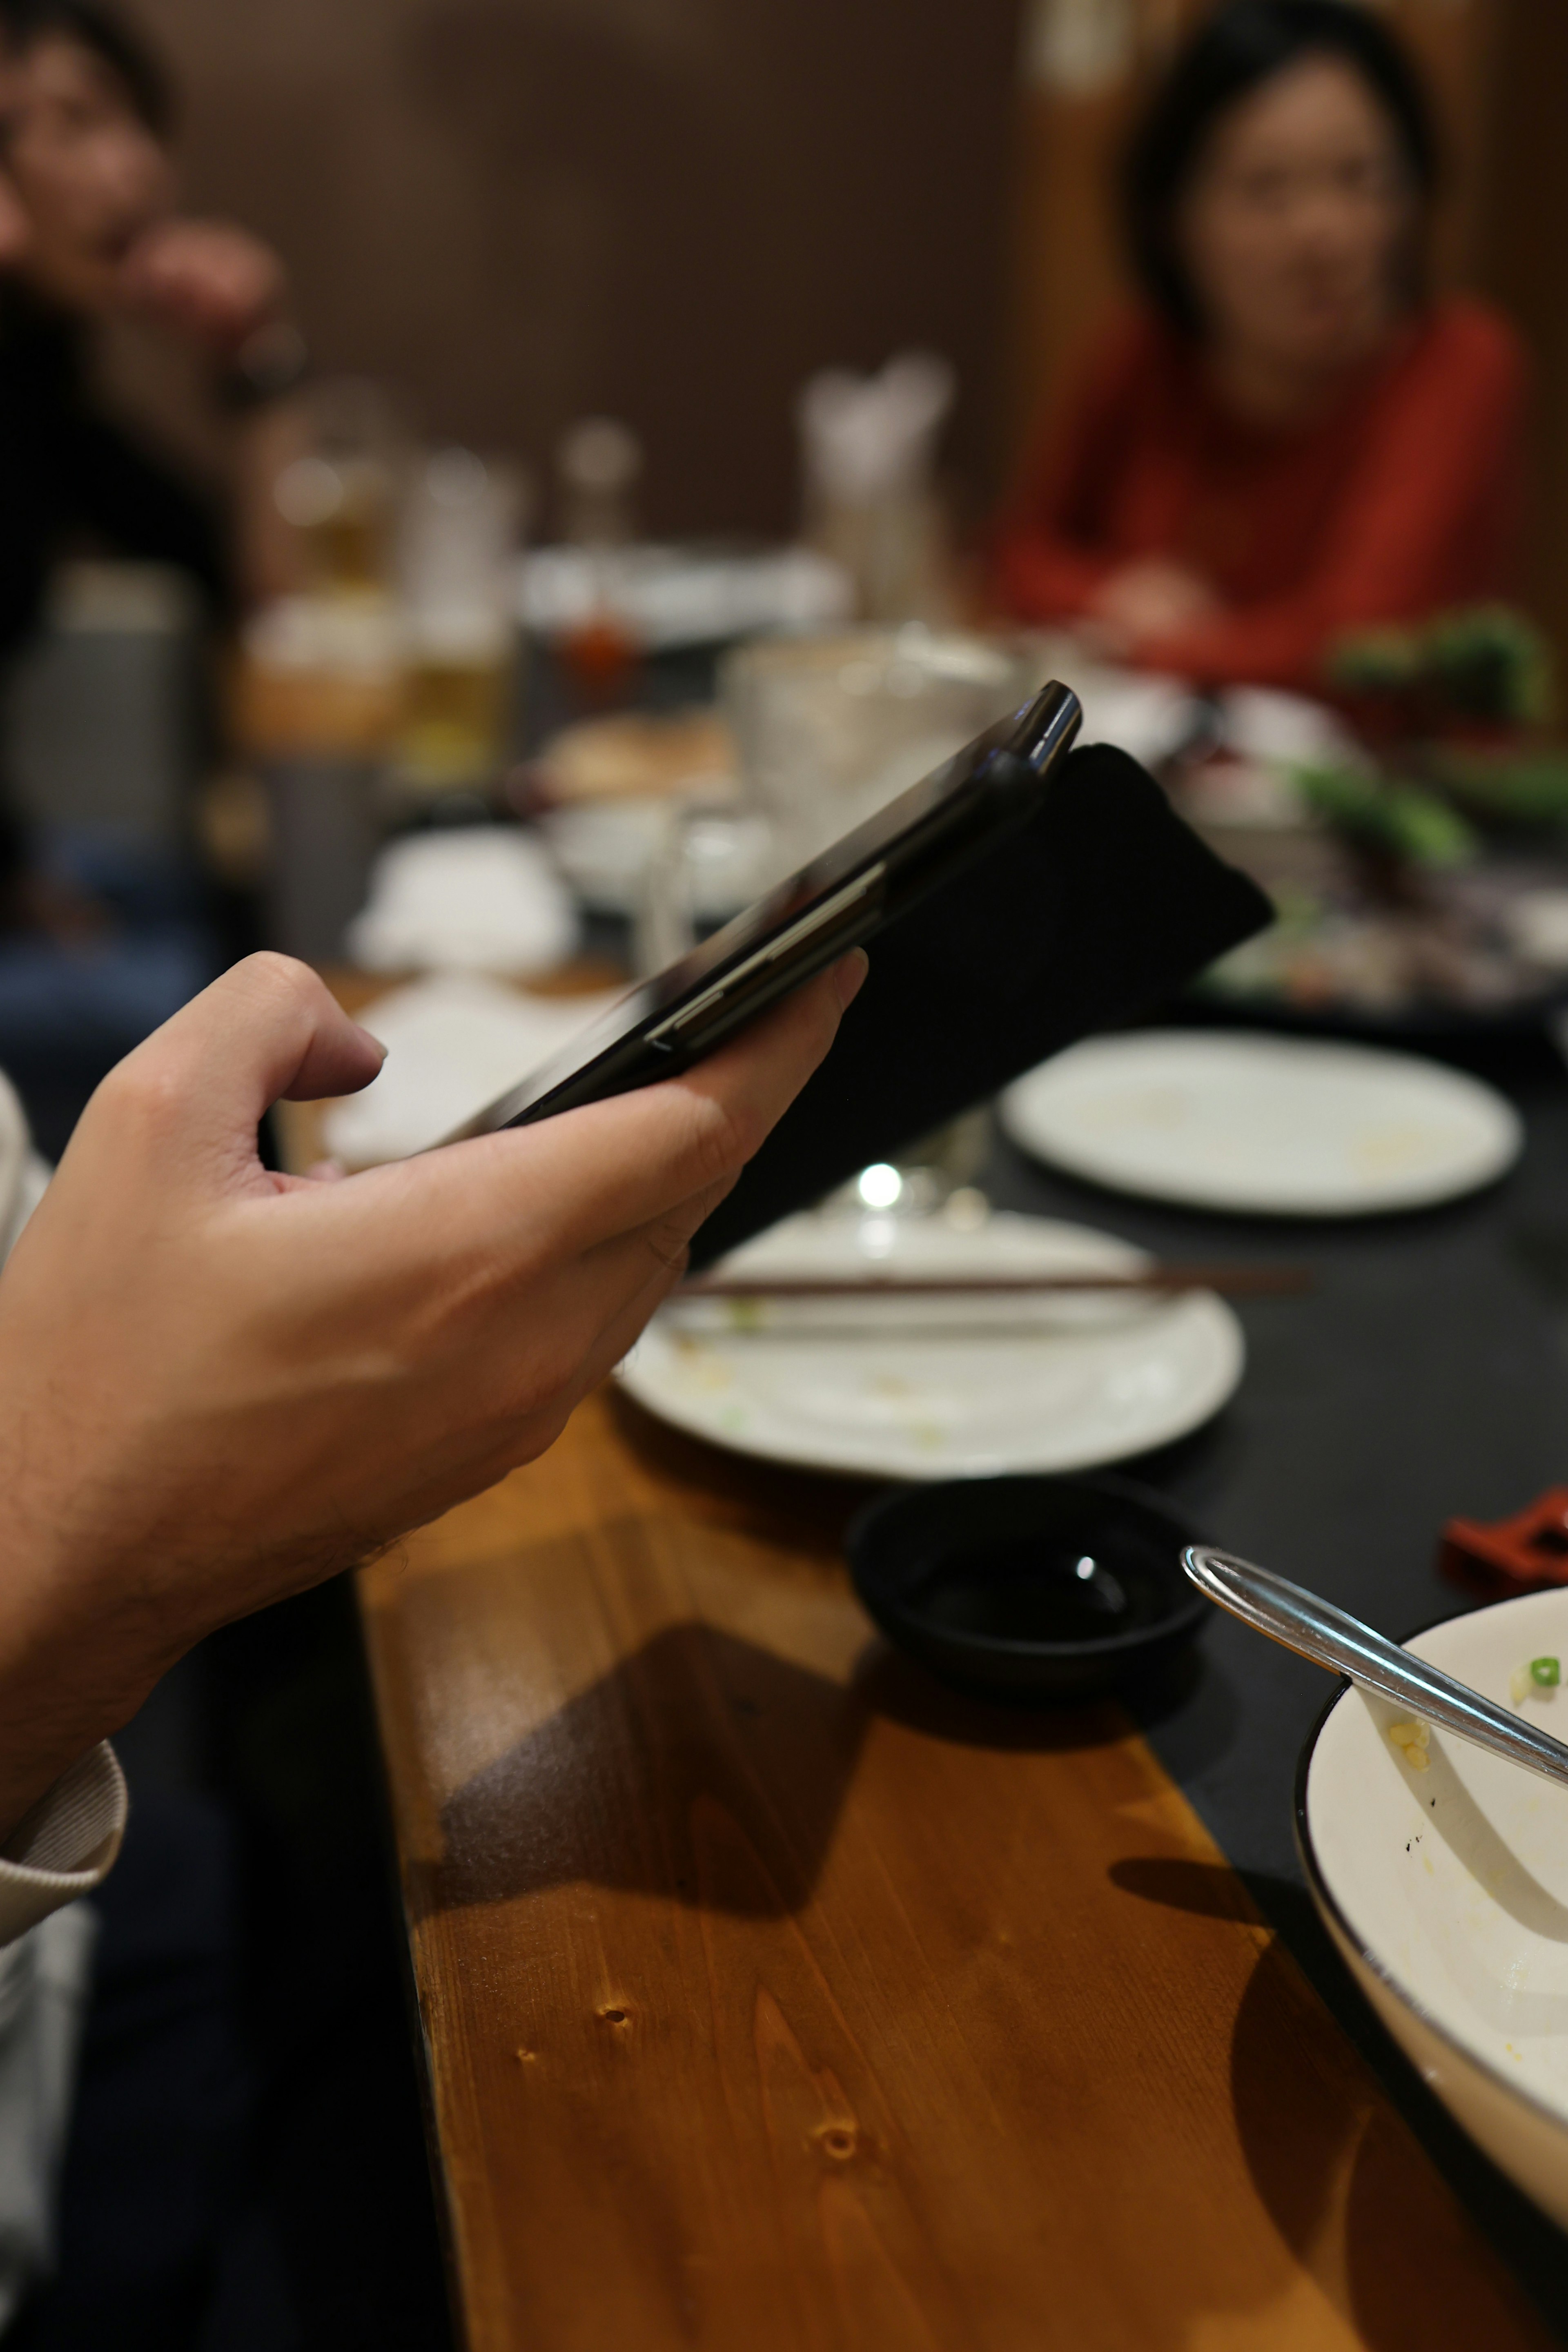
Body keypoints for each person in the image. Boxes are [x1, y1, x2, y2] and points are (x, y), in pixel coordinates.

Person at [991, 0, 1528, 696]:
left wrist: (1147, 642)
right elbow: (1015, 558)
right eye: (1266, 189)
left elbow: (1353, 653)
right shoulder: (1142, 355)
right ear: (1173, 217)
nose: (1323, 234)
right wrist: (1105, 596)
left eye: (1361, 178)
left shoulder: (1459, 366)